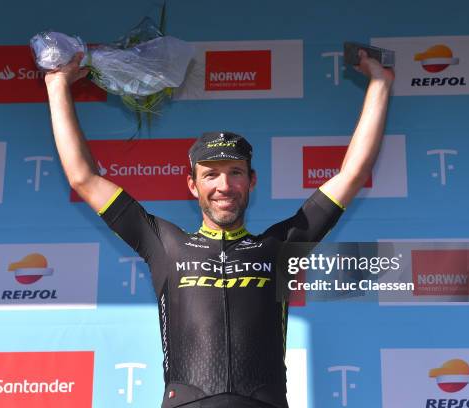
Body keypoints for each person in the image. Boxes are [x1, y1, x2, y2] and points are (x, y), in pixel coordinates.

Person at [44, 49, 394, 408]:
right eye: (211, 174)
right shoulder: (164, 243)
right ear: (193, 185)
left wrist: (380, 82)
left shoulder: (282, 244)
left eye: (235, 173)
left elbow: (351, 175)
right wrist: (57, 85)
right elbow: (83, 177)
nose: (224, 185)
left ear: (251, 181)